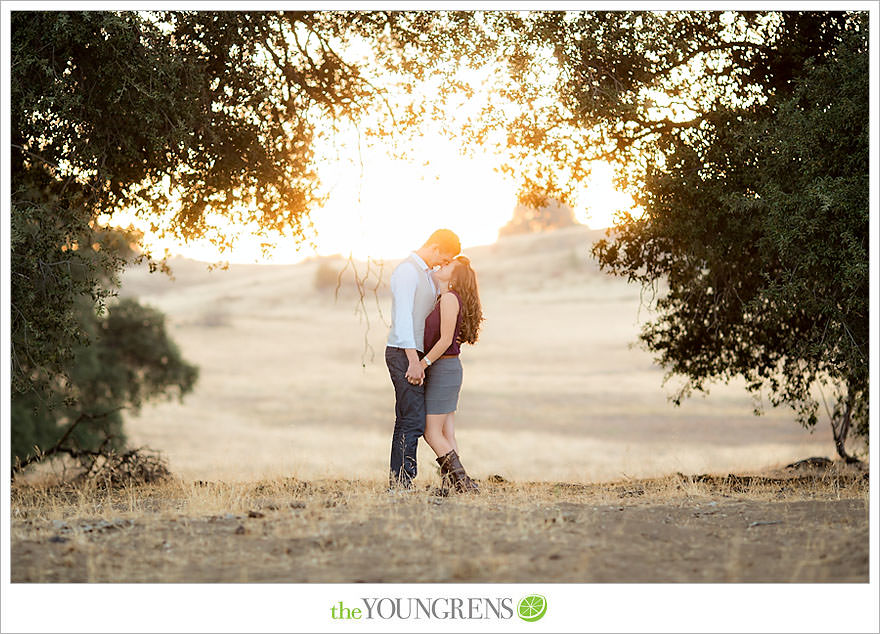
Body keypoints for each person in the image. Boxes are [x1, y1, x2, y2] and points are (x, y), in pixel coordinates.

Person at [386, 229, 461, 489]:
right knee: (413, 419)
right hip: (403, 352)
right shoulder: (407, 272)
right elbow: (404, 319)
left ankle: (400, 481)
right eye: (445, 257)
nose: (443, 264)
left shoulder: (429, 275)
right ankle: (401, 484)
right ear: (435, 247)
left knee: (408, 417)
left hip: (416, 354)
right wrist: (413, 361)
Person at [418, 255, 483, 493]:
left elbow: (445, 340)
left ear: (454, 277)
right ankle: (453, 484)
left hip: (444, 369)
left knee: (431, 432)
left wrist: (422, 364)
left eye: (448, 266)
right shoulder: (444, 298)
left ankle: (463, 483)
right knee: (446, 432)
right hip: (448, 368)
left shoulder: (448, 299)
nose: (441, 266)